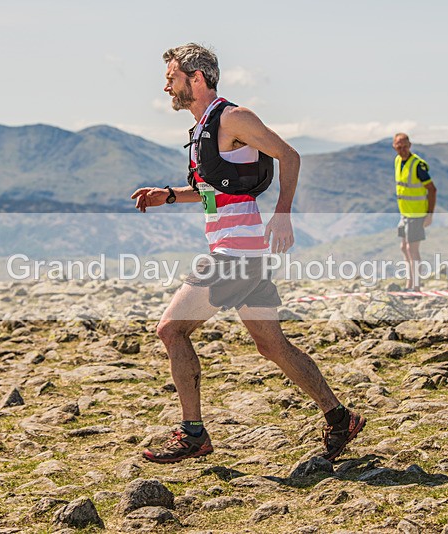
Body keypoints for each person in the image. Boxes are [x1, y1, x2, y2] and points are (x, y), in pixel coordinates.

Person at [130, 43, 365, 464]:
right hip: (244, 253)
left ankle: (193, 434)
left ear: (195, 79)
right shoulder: (204, 128)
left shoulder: (233, 117)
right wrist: (168, 195)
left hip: (234, 254)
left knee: (170, 330)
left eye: (171, 78)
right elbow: (216, 193)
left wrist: (283, 215)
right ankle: (339, 417)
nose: (166, 86)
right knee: (272, 346)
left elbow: (289, 155)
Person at [392, 133, 437, 290]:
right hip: (405, 213)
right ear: (394, 146)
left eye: (405, 146)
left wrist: (429, 214)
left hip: (417, 213)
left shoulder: (417, 165)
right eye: (399, 147)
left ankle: (416, 287)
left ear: (410, 145)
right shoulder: (398, 161)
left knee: (412, 249)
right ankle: (409, 283)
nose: (402, 150)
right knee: (404, 248)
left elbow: (432, 190)